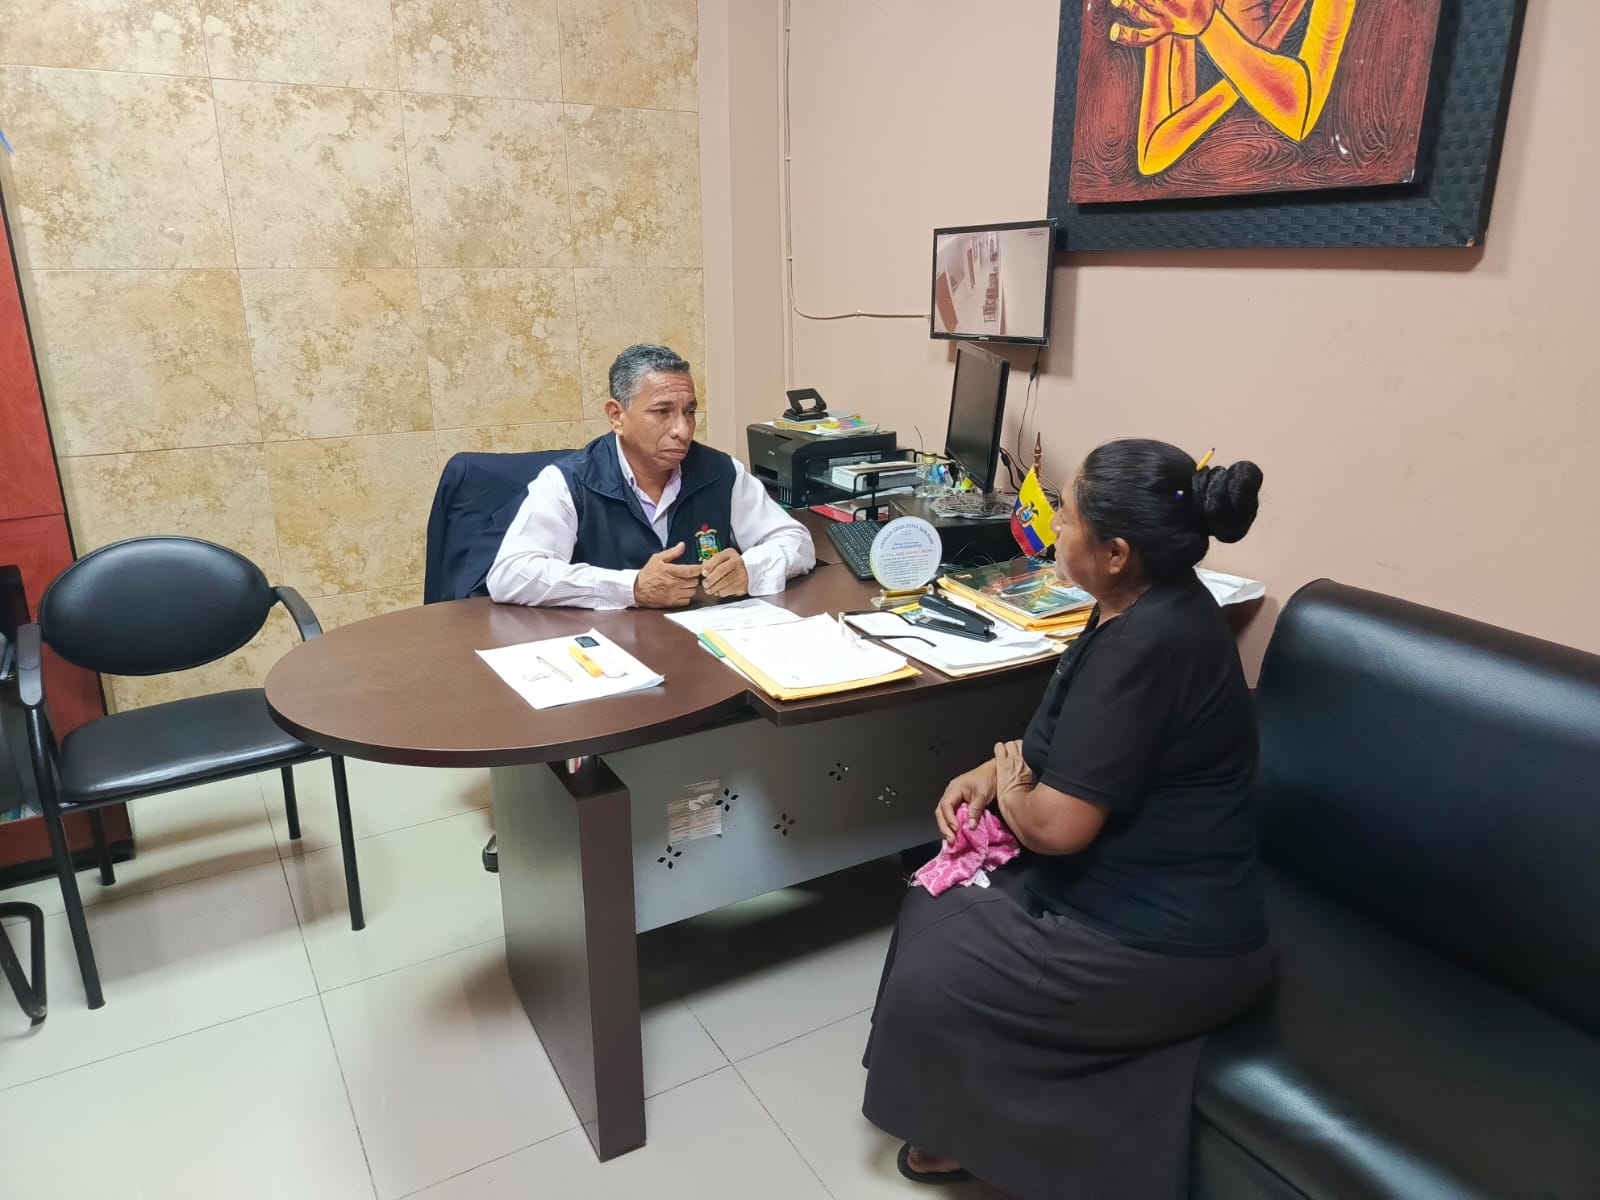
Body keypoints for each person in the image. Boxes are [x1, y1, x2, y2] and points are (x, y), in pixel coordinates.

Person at [862, 438, 1272, 1199]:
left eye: (1069, 516)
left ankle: (971, 1137)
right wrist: (993, 772)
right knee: (936, 890)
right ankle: (954, 1121)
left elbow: (1057, 827)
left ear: (1115, 553)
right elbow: (1080, 744)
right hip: (1140, 887)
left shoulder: (1149, 642)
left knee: (940, 964)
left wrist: (1014, 784)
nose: (1053, 526)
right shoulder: (1147, 604)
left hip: (1172, 944)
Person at [487, 344, 815, 609]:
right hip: (608, 652)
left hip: (702, 648)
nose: (682, 430)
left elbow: (796, 541)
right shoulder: (567, 482)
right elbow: (510, 574)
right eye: (662, 412)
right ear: (616, 416)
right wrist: (632, 588)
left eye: (689, 412)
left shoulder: (721, 472)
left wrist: (750, 570)